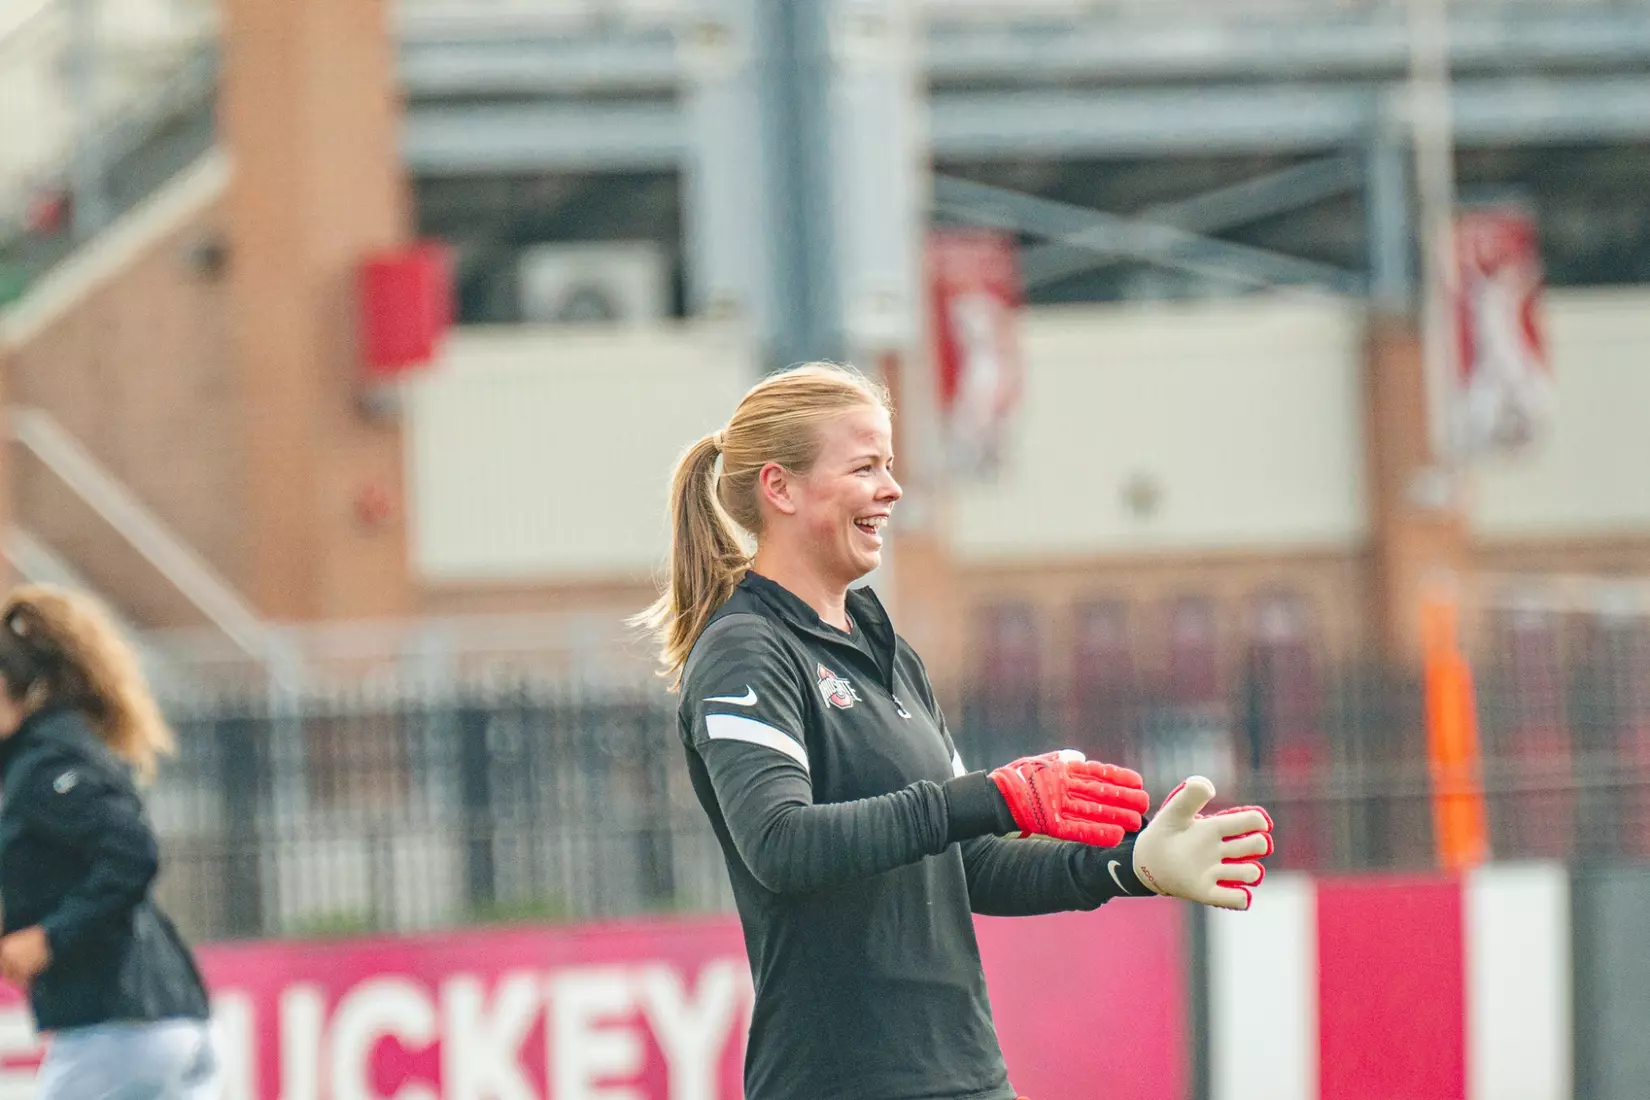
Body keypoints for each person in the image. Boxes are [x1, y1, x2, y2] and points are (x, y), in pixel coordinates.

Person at [635, 362, 1274, 1100]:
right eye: (865, 466)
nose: (892, 488)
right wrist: (992, 797)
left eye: (891, 466)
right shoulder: (747, 647)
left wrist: (1129, 867)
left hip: (968, 1077)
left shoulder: (886, 649)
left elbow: (969, 863)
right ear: (779, 487)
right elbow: (781, 843)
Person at [0, 584, 219, 1098]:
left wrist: (49, 938)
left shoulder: (48, 765)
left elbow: (132, 853)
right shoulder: (50, 757)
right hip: (166, 1024)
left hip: (120, 1028)